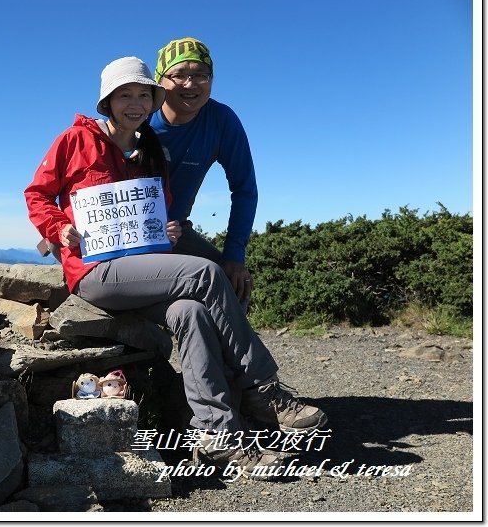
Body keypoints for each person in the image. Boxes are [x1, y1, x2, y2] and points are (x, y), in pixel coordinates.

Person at [24, 56, 327, 478]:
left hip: (143, 270)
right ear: (107, 102)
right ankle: (262, 388)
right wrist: (58, 229)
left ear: (152, 101)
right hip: (95, 272)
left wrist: (165, 230)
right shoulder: (75, 140)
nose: (134, 103)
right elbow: (38, 194)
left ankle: (218, 437)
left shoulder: (150, 150)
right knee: (205, 273)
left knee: (192, 312)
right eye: (123, 95)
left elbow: (160, 213)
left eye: (142, 95)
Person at [150, 37, 258, 306]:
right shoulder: (139, 117)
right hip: (131, 232)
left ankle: (220, 350)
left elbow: (244, 189)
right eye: (179, 74)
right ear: (159, 80)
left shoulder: (221, 121)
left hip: (178, 230)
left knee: (233, 285)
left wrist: (234, 256)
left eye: (200, 75)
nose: (190, 84)